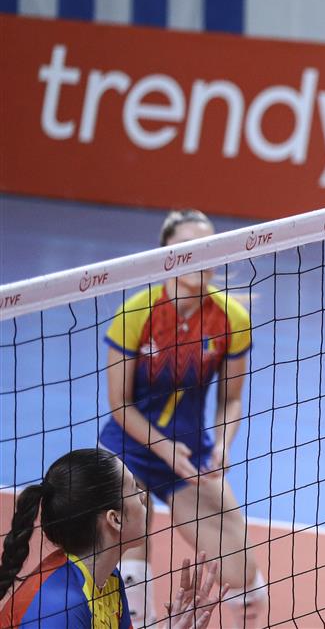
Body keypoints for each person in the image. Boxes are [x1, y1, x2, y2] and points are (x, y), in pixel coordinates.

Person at [98, 210, 264, 627]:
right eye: (188, 247)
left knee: (242, 575)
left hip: (190, 453)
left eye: (207, 247)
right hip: (130, 449)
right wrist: (163, 449)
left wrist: (223, 444)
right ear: (166, 256)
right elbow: (119, 404)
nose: (200, 256)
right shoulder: (136, 313)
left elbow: (230, 400)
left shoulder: (231, 318)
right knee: (128, 556)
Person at [0, 447, 222, 629]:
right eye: (134, 488)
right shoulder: (60, 609)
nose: (143, 495)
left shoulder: (107, 579)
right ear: (115, 519)